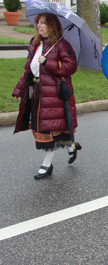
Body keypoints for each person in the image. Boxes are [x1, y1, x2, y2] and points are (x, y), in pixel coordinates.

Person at [12, 13, 79, 179]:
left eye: (44, 23)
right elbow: (28, 69)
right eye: (38, 23)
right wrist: (19, 89)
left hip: (54, 95)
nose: (39, 26)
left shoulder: (62, 45)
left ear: (52, 26)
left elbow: (70, 67)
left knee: (48, 131)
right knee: (49, 129)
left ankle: (46, 165)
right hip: (38, 92)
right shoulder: (36, 44)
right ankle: (71, 147)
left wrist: (47, 62)